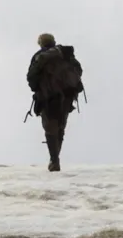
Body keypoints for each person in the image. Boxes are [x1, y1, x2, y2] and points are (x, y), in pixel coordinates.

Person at [26, 32, 85, 172]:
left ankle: (54, 160)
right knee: (60, 127)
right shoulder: (65, 54)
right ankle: (55, 159)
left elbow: (31, 78)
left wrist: (38, 88)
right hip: (67, 96)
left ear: (41, 43)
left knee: (50, 128)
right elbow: (79, 70)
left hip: (47, 97)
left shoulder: (40, 57)